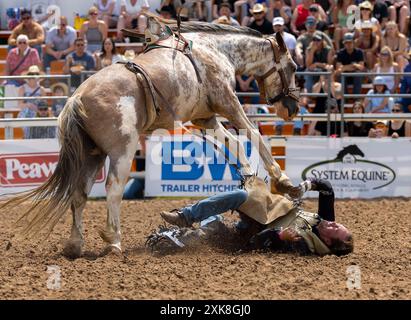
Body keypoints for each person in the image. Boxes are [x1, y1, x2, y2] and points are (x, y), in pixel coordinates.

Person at [154, 177, 353, 256]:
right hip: (265, 209)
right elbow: (326, 188)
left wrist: (279, 236)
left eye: (336, 229)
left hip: (249, 232)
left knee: (215, 227)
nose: (334, 223)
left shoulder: (302, 244)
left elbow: (258, 242)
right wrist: (304, 187)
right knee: (239, 196)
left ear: (327, 241)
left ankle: (187, 233)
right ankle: (186, 217)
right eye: (339, 224)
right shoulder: (324, 222)